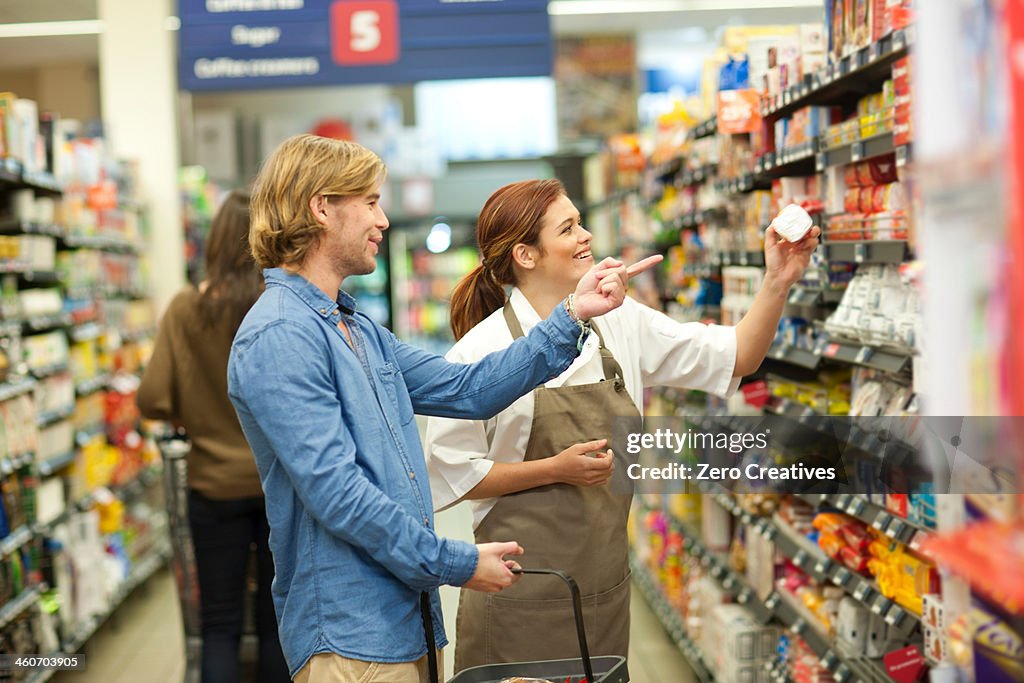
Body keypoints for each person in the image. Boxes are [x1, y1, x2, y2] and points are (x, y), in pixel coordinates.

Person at [225, 135, 654, 683]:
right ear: (322, 208)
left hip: (407, 617)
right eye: (370, 202)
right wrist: (455, 562)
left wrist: (571, 313)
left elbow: (467, 389)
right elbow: (338, 494)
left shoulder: (355, 329)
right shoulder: (282, 335)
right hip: (350, 636)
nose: (383, 220)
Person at [424, 178, 820, 669]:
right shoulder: (481, 352)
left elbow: (738, 355)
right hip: (516, 597)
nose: (586, 235)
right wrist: (553, 469)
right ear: (525, 255)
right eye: (567, 228)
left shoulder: (618, 321)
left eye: (581, 221)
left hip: (604, 595)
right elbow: (450, 473)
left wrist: (777, 281)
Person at [137, 190, 290, 683]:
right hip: (279, 485)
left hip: (212, 486)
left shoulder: (187, 308)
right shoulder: (279, 306)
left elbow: (152, 397)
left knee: (219, 625)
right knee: (277, 625)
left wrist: (194, 411)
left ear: (214, 241)